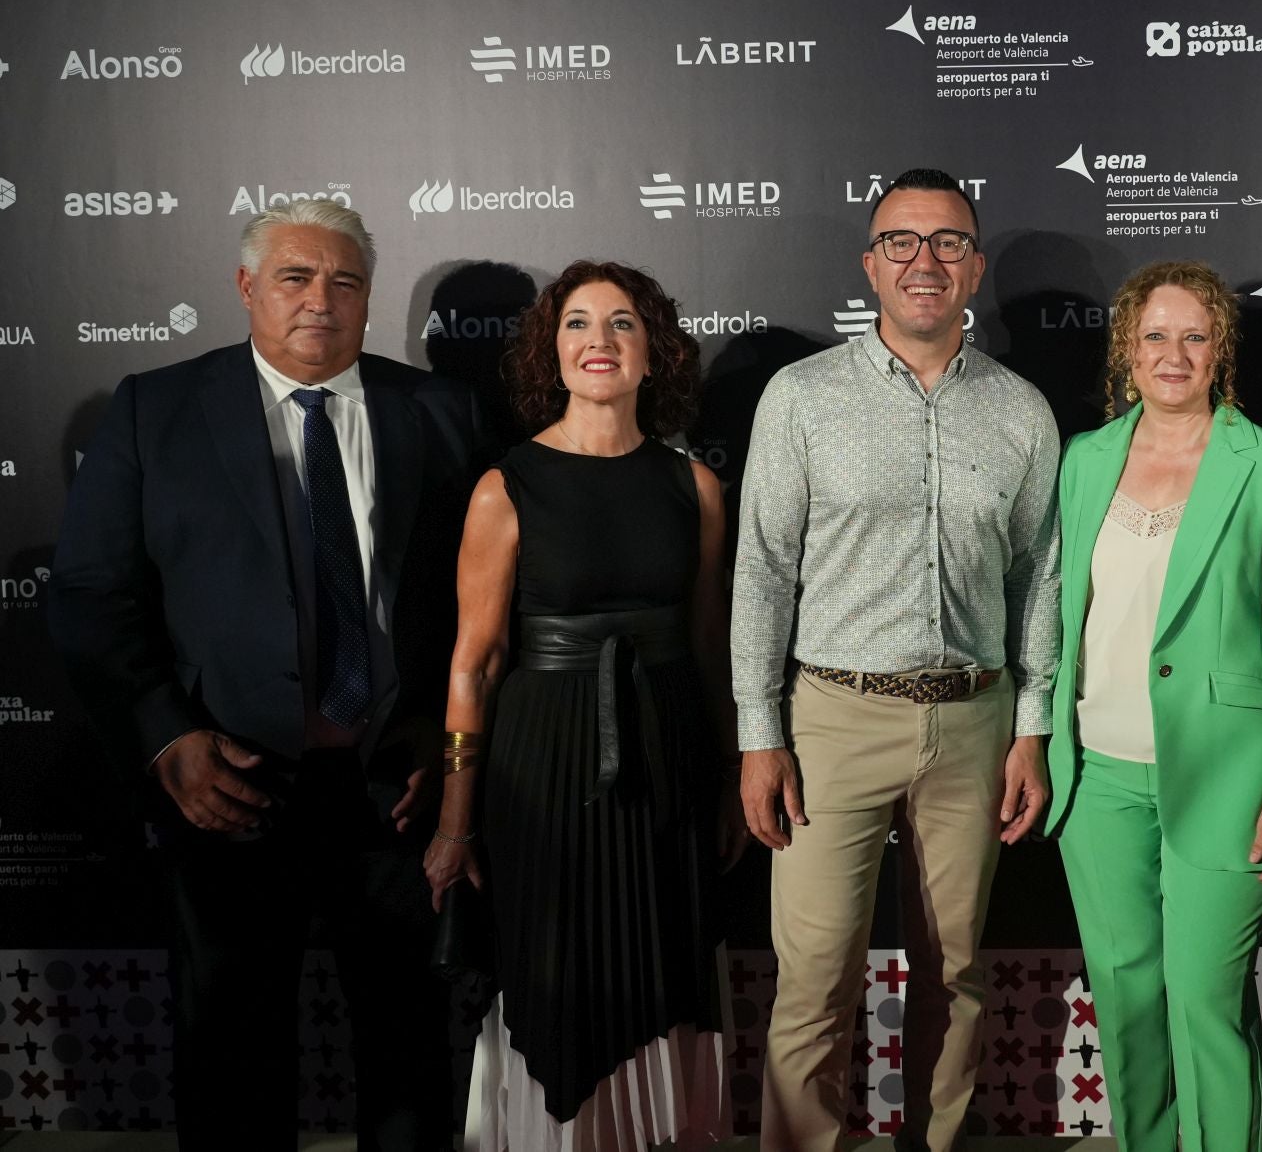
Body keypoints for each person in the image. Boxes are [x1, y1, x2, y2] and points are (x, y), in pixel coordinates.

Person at [47, 199, 489, 1149]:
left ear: (369, 297)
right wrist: (166, 735)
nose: (320, 301)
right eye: (294, 277)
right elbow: (91, 596)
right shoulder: (157, 409)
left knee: (409, 1057)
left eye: (345, 281)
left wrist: (442, 745)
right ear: (247, 288)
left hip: (394, 794)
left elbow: (480, 611)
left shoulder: (443, 414)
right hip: (227, 786)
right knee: (232, 1059)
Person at [732, 167, 1061, 1151]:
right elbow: (762, 571)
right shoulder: (801, 399)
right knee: (816, 977)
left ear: (976, 268)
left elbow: (1037, 580)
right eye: (904, 243)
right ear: (871, 265)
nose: (927, 262)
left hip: (976, 720)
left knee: (956, 974)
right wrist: (760, 733)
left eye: (949, 243)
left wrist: (1033, 726)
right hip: (833, 716)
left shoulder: (1023, 412)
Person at [425, 260, 744, 1150]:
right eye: (576, 324)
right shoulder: (505, 487)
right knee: (555, 970)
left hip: (669, 749)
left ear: (654, 353)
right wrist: (456, 822)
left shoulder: (696, 487)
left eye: (622, 324)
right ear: (549, 353)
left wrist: (725, 776)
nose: (598, 341)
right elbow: (474, 664)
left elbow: (711, 645)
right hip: (544, 764)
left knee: (667, 961)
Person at [1041, 260, 1262, 1151]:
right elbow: (1059, 614)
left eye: (1194, 336)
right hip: (1097, 778)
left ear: (1220, 352)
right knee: (1125, 1001)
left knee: (1205, 998)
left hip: (1229, 776)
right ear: (1128, 349)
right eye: (1155, 335)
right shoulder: (1084, 460)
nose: (1174, 353)